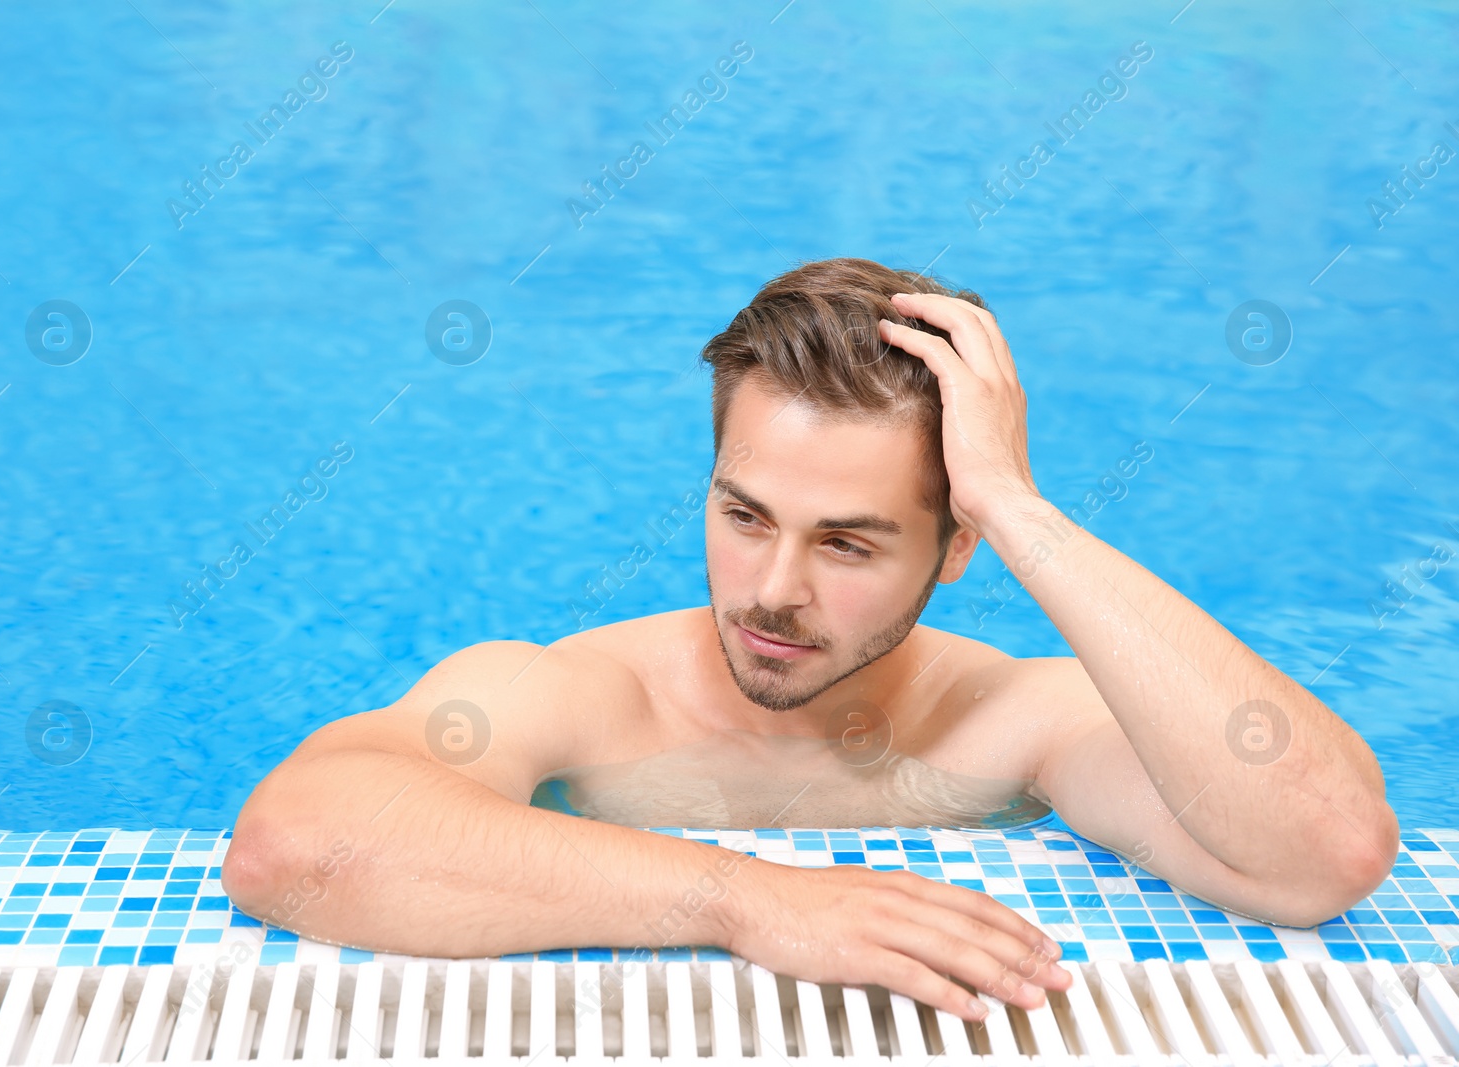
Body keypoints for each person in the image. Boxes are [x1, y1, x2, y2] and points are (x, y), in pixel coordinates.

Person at [223, 257, 1396, 1022]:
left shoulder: (1015, 724)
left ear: (953, 546)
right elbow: (293, 848)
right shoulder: (580, 696)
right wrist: (758, 902)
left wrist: (1020, 507)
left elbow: (1323, 850)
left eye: (846, 542)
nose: (769, 591)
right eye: (742, 516)